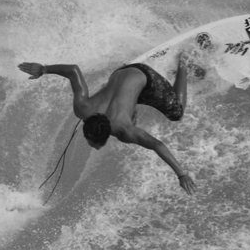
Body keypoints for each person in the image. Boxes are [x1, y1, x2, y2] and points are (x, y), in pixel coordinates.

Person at [18, 56, 197, 195]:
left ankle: (184, 62)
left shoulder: (125, 130)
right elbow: (73, 70)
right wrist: (44, 69)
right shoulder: (82, 108)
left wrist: (182, 175)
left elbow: (158, 145)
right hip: (120, 72)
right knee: (130, 111)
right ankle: (135, 95)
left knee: (177, 113)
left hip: (145, 76)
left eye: (97, 143)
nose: (96, 147)